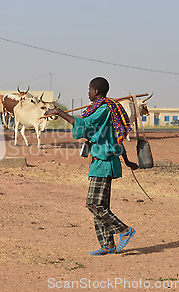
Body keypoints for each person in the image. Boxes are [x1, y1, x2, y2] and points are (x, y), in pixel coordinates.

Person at [44, 77, 139, 255]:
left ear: (96, 91)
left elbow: (83, 124)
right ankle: (108, 245)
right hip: (101, 162)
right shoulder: (105, 109)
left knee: (94, 204)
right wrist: (127, 161)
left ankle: (125, 230)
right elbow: (115, 138)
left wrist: (58, 111)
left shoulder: (103, 109)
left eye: (89, 89)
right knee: (101, 207)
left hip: (104, 164)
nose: (87, 92)